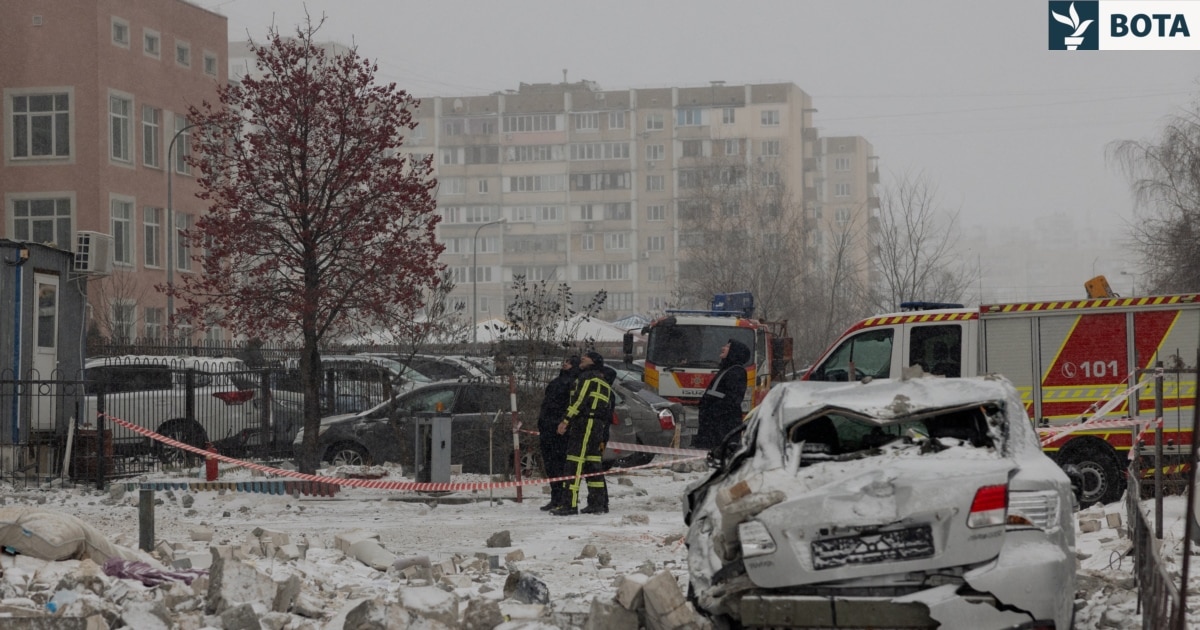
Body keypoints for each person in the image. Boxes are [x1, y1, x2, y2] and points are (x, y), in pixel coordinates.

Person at [552, 351, 613, 515]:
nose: (582, 358)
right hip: (597, 426)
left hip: (584, 423)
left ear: (593, 362)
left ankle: (569, 505)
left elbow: (579, 400)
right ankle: (597, 503)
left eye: (587, 356)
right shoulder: (605, 383)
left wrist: (566, 420)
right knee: (592, 463)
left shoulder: (587, 378)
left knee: (574, 462)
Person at [691, 339, 751, 450]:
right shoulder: (726, 370)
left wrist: (714, 411)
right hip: (713, 426)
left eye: (727, 346)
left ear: (734, 352)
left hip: (721, 427)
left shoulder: (737, 371)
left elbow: (732, 400)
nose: (723, 348)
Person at [537, 355, 580, 511]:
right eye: (565, 361)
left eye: (568, 362)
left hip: (560, 430)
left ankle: (564, 499)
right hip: (547, 428)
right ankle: (555, 498)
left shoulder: (574, 383)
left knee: (560, 465)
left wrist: (563, 423)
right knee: (551, 466)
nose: (565, 363)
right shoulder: (557, 382)